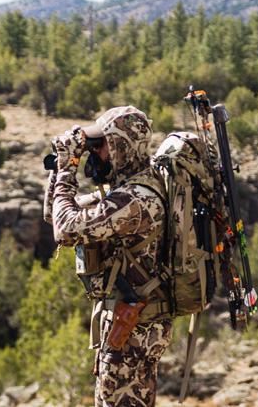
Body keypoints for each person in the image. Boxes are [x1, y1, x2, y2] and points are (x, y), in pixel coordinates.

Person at [43, 106, 172, 406]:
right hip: (129, 327)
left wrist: (68, 168)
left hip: (134, 333)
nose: (95, 152)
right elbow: (56, 213)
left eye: (100, 145)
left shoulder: (135, 200)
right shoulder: (126, 191)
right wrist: (60, 168)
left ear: (120, 148)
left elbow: (66, 229)